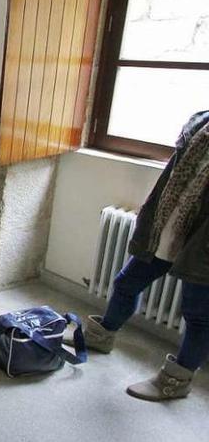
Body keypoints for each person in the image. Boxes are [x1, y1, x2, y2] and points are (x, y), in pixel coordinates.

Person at [66, 110, 209, 402]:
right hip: (168, 228)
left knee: (198, 316)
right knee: (126, 282)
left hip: (203, 243)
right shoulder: (202, 122)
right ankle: (101, 336)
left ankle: (175, 381)